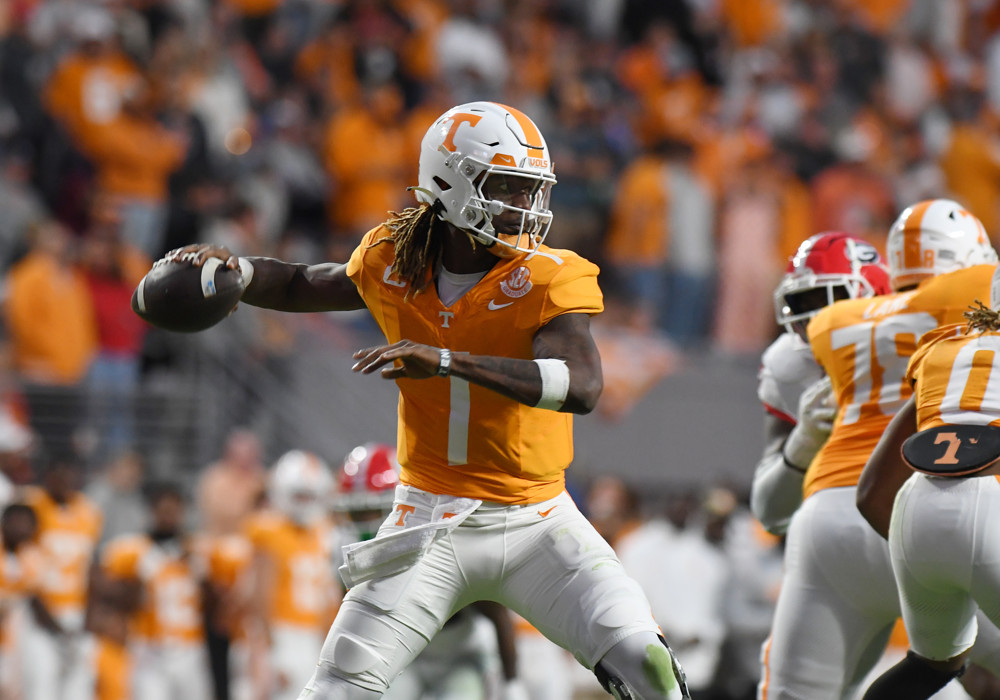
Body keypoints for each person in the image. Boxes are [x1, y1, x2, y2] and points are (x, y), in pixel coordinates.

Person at [170, 101, 690, 700]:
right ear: (452, 183)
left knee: (650, 670)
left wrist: (445, 360)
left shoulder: (548, 274)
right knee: (337, 689)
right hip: (429, 518)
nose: (526, 209)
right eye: (509, 189)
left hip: (538, 519)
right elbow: (301, 282)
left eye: (531, 191)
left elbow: (582, 385)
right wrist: (233, 268)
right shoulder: (396, 257)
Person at [758, 198, 1000, 700]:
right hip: (939, 498)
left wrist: (804, 444)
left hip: (839, 515)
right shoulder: (975, 297)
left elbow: (772, 512)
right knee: (964, 669)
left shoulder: (828, 326)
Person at [857, 266, 1000, 699]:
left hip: (915, 509)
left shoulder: (942, 348)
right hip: (991, 505)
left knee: (930, 667)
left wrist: (945, 553)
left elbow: (871, 493)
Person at [330, 442, 529, 700]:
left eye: (370, 510)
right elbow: (347, 616)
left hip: (459, 658)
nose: (362, 523)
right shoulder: (345, 552)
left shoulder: (442, 543)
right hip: (401, 660)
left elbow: (497, 615)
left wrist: (512, 681)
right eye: (355, 513)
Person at [752, 231, 891, 535]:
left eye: (829, 302)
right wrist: (804, 441)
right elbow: (770, 512)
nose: (814, 321)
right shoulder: (788, 366)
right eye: (803, 305)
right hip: (836, 523)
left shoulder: (912, 346)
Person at [97, 481, 211, 700]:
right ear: (152, 512)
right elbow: (106, 590)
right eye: (163, 511)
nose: (168, 517)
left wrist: (200, 574)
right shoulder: (134, 551)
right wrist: (137, 581)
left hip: (190, 646)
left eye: (174, 511)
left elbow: (212, 602)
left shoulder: (195, 551)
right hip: (150, 648)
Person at [242, 450, 339, 700]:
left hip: (315, 638)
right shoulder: (269, 529)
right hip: (282, 635)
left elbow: (329, 597)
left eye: (310, 495)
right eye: (299, 495)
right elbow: (260, 594)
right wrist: (268, 651)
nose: (304, 502)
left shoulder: (326, 533)